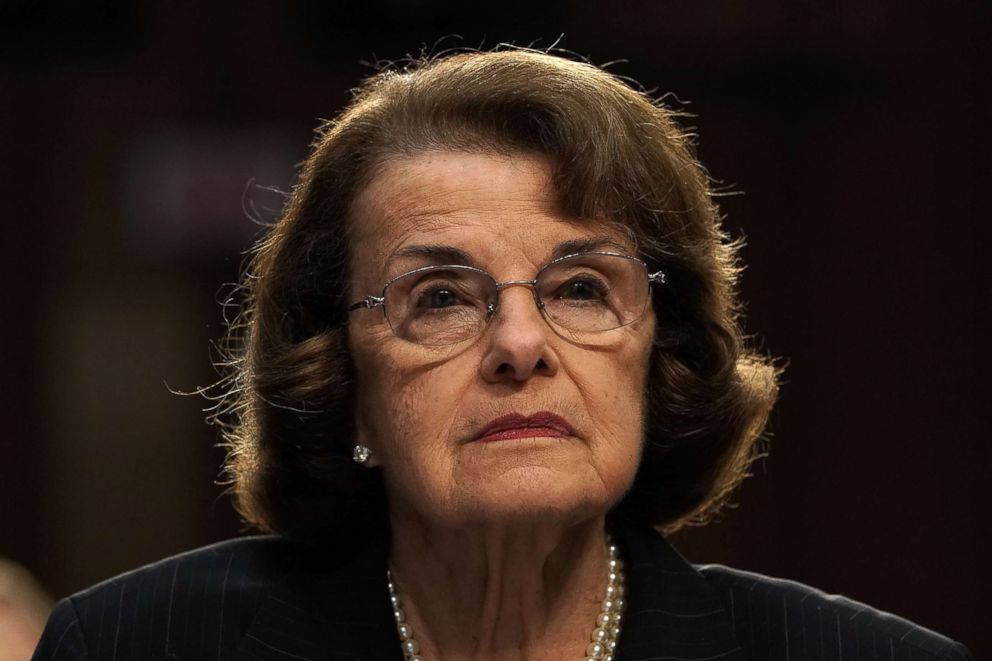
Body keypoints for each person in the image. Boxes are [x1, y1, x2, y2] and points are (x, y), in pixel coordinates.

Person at [33, 49, 972, 661]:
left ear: (660, 357)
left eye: (579, 288)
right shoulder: (132, 644)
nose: (521, 345)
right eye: (439, 298)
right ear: (342, 381)